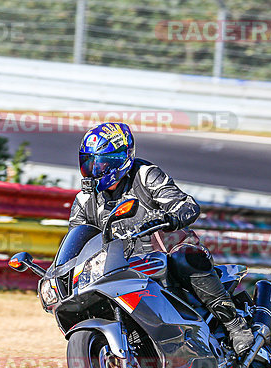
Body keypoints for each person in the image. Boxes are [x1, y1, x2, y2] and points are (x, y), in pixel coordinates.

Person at [69, 122, 254, 356]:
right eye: (90, 163)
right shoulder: (86, 201)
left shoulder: (145, 175)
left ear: (119, 159)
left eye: (102, 162)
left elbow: (186, 204)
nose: (95, 169)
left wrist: (169, 217)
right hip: (123, 267)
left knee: (184, 256)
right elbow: (77, 241)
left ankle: (234, 325)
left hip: (164, 257)